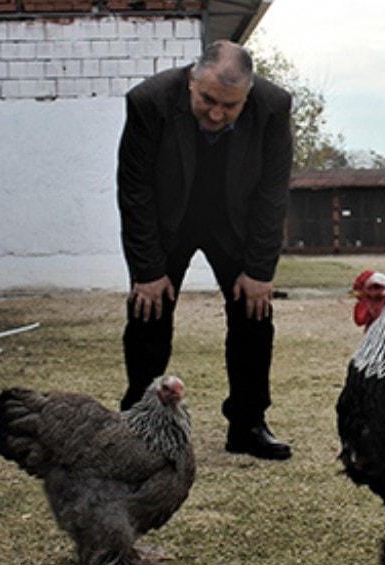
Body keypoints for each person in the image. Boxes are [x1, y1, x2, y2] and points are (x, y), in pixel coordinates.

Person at [116, 40, 293, 461]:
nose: (216, 114)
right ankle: (141, 424)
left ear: (248, 96)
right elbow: (134, 190)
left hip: (236, 223)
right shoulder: (149, 101)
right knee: (148, 314)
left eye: (230, 107)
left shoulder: (273, 106)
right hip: (166, 221)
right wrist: (147, 270)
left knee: (254, 316)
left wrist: (260, 271)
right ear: (191, 81)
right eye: (208, 100)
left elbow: (273, 193)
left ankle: (248, 424)